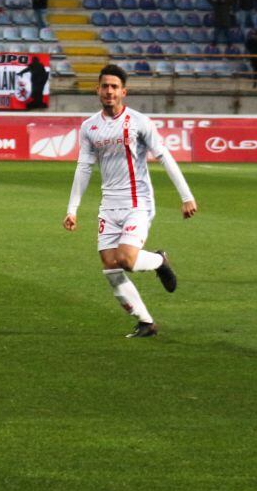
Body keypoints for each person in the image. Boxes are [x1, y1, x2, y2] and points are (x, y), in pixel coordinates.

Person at [63, 64, 197, 339]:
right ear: (97, 89)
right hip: (108, 206)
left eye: (114, 87)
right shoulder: (89, 127)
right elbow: (84, 167)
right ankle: (146, 322)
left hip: (138, 202)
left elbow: (164, 157)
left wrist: (186, 196)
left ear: (124, 91)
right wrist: (72, 209)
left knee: (125, 259)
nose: (109, 91)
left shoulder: (139, 122)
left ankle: (160, 261)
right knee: (110, 267)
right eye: (104, 86)